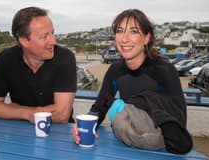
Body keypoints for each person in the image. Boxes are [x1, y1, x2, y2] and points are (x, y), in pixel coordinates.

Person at [73, 9, 193, 154]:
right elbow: (102, 106)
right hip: (126, 143)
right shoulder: (115, 71)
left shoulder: (164, 70)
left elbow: (179, 119)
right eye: (120, 31)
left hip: (160, 149)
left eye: (134, 31)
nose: (124, 39)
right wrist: (85, 124)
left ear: (147, 38)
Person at [0, 7, 77, 123]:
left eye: (52, 33)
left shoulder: (64, 58)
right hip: (18, 131)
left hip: (59, 132)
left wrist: (15, 109)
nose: (53, 41)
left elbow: (62, 115)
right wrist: (28, 114)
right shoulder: (6, 58)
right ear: (24, 41)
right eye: (45, 36)